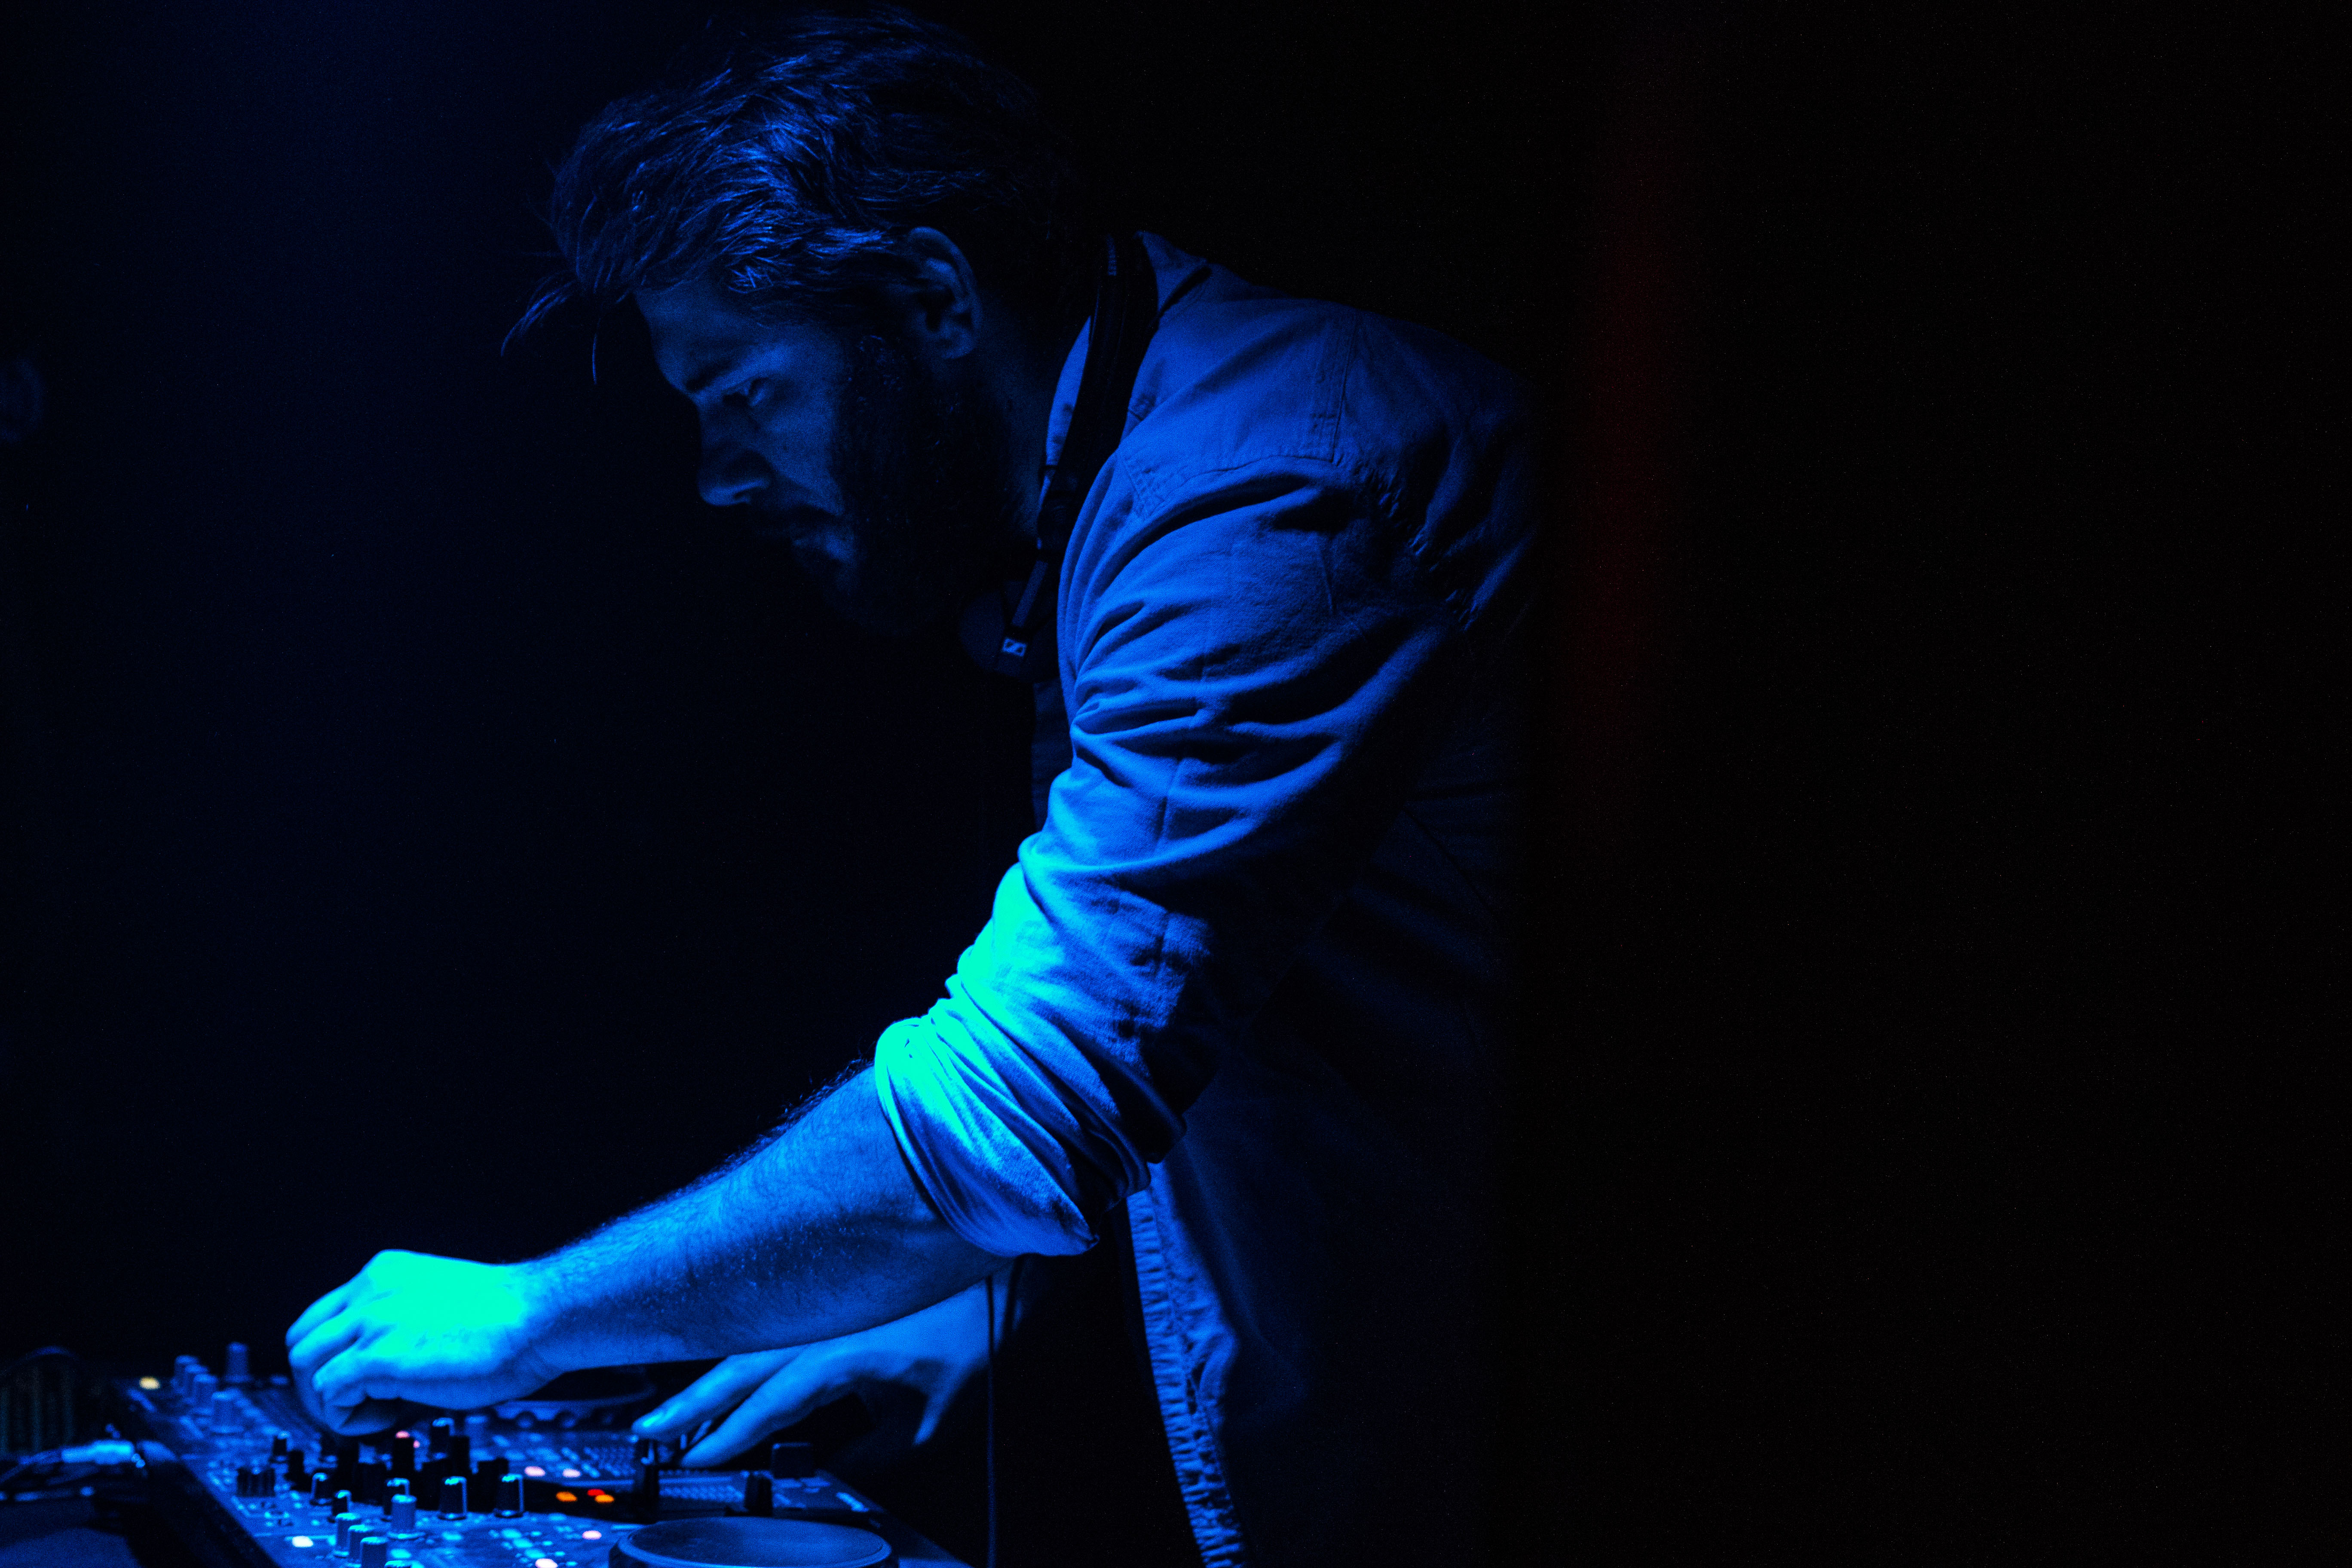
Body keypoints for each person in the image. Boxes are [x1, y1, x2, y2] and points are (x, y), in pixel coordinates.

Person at [285, 9, 1538, 1565]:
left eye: (749, 393)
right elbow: (1210, 998)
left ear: (935, 299)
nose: (717, 476)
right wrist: (968, 1297)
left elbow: (1018, 1106)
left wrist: (531, 1314)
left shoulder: (1264, 500)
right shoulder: (1152, 460)